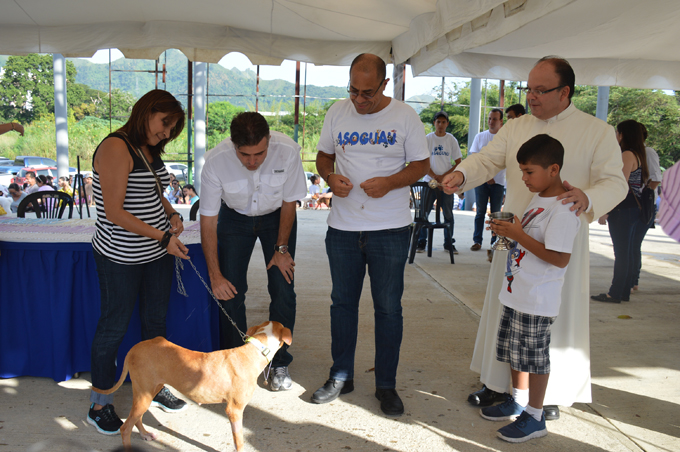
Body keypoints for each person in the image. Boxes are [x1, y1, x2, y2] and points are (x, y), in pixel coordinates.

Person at [442, 56, 628, 420]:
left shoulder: (597, 131)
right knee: (507, 311)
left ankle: (549, 396)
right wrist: (461, 176)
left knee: (548, 319)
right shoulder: (516, 127)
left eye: (541, 90)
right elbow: (486, 160)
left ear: (566, 92)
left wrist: (588, 198)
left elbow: (615, 182)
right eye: (529, 89)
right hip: (513, 234)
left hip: (559, 241)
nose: (532, 97)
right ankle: (499, 384)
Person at [312, 53, 430, 416]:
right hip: (344, 228)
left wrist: (391, 183)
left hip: (390, 229)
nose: (359, 100)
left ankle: (386, 385)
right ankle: (341, 375)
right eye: (353, 91)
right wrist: (330, 178)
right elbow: (322, 157)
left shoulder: (405, 116)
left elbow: (422, 165)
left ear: (384, 85)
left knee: (388, 310)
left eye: (368, 93)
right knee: (342, 305)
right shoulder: (337, 112)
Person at [88, 89, 190, 435]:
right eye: (164, 124)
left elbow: (153, 192)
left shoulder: (148, 149)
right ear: (146, 112)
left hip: (155, 253)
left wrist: (172, 214)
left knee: (155, 323)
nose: (166, 134)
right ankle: (99, 403)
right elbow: (114, 212)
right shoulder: (116, 146)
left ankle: (154, 388)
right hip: (121, 256)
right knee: (114, 326)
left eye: (171, 130)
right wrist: (164, 237)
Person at [482, 134, 580, 442]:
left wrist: (518, 234)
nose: (523, 178)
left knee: (535, 359)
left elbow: (560, 259)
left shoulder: (563, 209)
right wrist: (508, 233)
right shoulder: (540, 197)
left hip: (538, 298)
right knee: (515, 353)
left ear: (553, 169)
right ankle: (518, 400)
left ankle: (535, 416)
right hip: (517, 292)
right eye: (522, 171)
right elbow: (528, 240)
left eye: (529, 172)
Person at [199, 111, 306, 392]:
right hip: (234, 219)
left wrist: (281, 249)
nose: (252, 161)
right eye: (244, 155)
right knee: (228, 289)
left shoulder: (288, 151)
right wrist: (215, 275)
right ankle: (235, 360)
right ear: (233, 145)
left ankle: (278, 361)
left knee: (282, 288)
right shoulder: (215, 161)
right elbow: (208, 219)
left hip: (276, 219)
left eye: (259, 153)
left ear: (269, 140)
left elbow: (288, 202)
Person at [591, 120, 649, 303]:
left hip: (623, 210)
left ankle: (615, 293)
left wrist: (606, 210)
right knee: (628, 252)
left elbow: (620, 187)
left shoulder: (627, 154)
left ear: (623, 134)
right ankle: (623, 291)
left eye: (617, 132)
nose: (616, 136)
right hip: (634, 210)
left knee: (622, 254)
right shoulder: (639, 154)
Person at [416, 110, 462, 254]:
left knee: (448, 214)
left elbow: (459, 162)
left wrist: (445, 176)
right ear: (434, 123)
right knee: (424, 213)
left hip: (446, 183)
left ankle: (448, 243)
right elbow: (422, 160)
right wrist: (434, 175)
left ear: (447, 123)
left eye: (443, 122)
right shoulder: (428, 139)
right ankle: (421, 242)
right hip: (430, 182)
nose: (440, 125)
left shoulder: (451, 140)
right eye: (438, 122)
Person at [630, 123, 663, 293]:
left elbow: (656, 179)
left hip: (642, 206)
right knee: (631, 244)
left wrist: (641, 197)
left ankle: (633, 280)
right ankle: (632, 279)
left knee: (633, 244)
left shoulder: (647, 152)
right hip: (636, 205)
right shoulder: (632, 154)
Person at [469, 109, 506, 255]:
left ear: (501, 121)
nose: (491, 121)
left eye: (495, 119)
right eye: (490, 118)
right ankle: (477, 241)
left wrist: (494, 176)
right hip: (482, 181)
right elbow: (475, 157)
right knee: (480, 212)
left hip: (498, 182)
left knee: (496, 214)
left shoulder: (505, 138)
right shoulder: (480, 137)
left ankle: (494, 242)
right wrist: (486, 175)